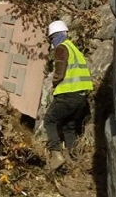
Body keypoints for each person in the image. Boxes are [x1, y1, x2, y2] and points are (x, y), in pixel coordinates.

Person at [43, 20, 94, 170]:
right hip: (82, 96)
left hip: (68, 94)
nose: (51, 42)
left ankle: (56, 153)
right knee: (68, 127)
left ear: (55, 36)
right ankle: (75, 159)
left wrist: (54, 84)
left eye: (51, 38)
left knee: (49, 120)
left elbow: (60, 71)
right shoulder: (74, 49)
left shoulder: (62, 48)